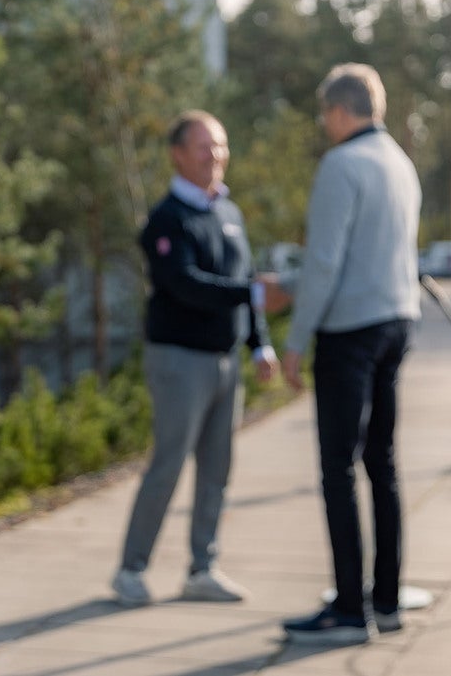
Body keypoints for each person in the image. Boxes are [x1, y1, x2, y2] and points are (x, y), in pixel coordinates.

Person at [276, 64, 422, 643]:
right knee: (381, 465)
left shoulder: (341, 165)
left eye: (323, 115)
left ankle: (346, 610)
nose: (323, 125)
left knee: (337, 468)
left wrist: (294, 339)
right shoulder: (401, 165)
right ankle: (385, 601)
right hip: (396, 323)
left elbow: (325, 265)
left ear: (339, 111)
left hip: (351, 331)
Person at [111, 110, 278, 606]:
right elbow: (184, 286)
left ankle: (202, 568)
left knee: (218, 468)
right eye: (205, 147)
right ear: (179, 154)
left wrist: (259, 344)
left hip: (227, 361)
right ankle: (130, 570)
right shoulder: (166, 220)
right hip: (180, 361)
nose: (216, 156)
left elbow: (247, 287)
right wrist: (253, 295)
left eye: (221, 146)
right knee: (168, 463)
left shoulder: (229, 212)